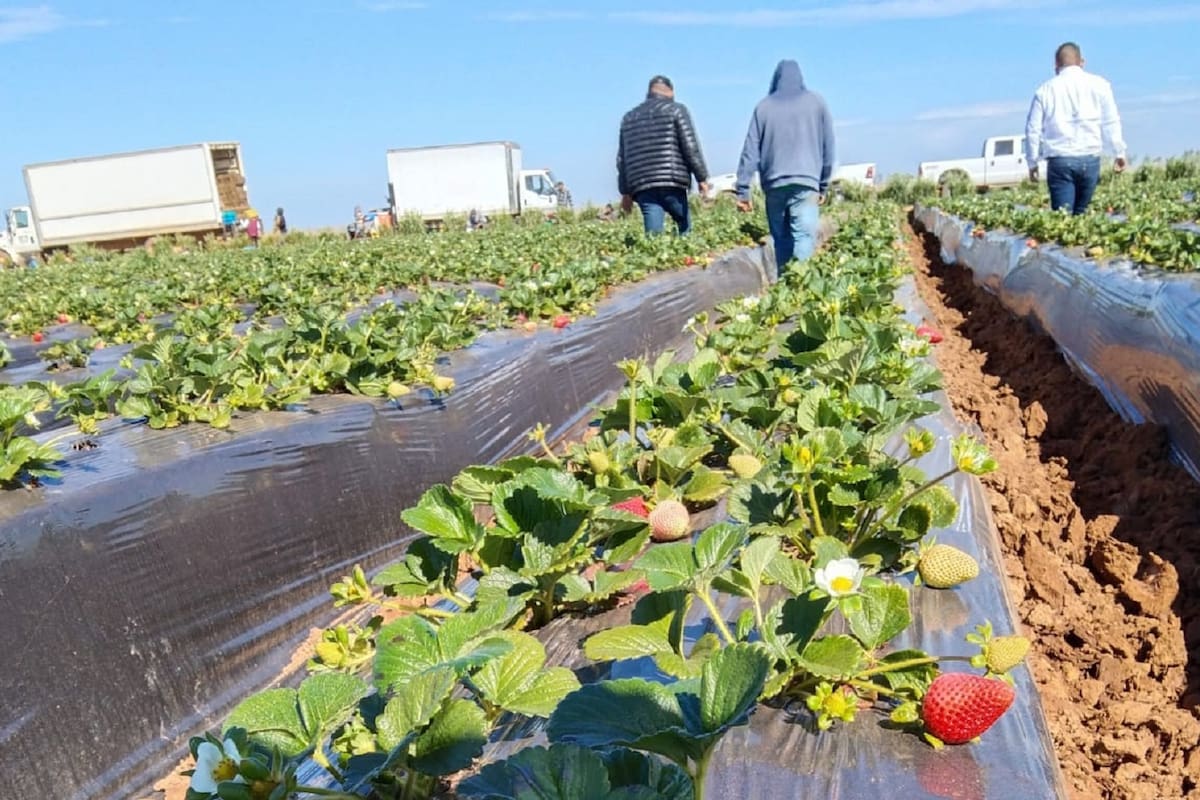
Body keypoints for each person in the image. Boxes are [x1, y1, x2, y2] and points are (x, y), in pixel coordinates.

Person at [734, 59, 835, 278]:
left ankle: (784, 291)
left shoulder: (764, 107)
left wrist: (743, 189)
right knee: (803, 237)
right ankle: (799, 291)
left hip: (774, 184)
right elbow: (828, 148)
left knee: (781, 239)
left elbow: (750, 151)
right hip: (806, 182)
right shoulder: (817, 103)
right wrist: (823, 185)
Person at [1024, 42, 1127, 216]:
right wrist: (1119, 152)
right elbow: (1111, 121)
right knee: (1081, 216)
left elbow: (1033, 130)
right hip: (1090, 159)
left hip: (1060, 160)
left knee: (1063, 217)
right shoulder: (1100, 85)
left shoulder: (1044, 91)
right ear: (1082, 62)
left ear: (1056, 65)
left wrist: (1032, 163)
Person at [616, 75, 709, 235]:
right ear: (670, 92)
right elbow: (690, 146)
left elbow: (622, 159)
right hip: (672, 180)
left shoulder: (629, 118)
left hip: (642, 185)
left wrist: (625, 192)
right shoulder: (676, 110)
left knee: (654, 237)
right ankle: (686, 253)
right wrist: (702, 178)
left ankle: (657, 258)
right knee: (684, 227)